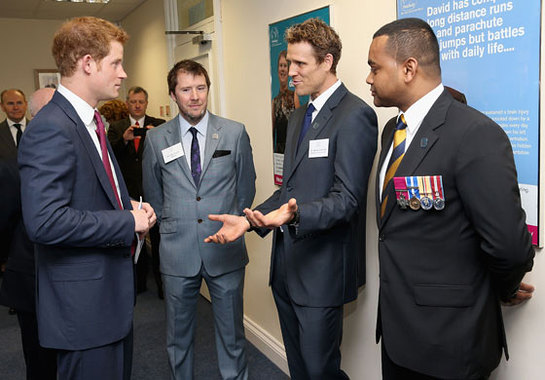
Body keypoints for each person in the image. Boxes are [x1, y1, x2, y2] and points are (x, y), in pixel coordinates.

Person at [205, 18, 378, 379]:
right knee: (299, 369)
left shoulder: (354, 115)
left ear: (327, 61)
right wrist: (250, 220)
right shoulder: (300, 115)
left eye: (300, 64)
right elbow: (288, 191)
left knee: (320, 370)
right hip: (287, 269)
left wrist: (293, 217)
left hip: (322, 271)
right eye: (289, 63)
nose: (291, 72)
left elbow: (347, 199)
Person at [366, 18, 535, 379]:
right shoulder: (391, 132)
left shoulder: (474, 134)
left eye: (374, 68)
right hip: (398, 334)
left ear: (409, 68)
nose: (368, 78)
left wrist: (502, 288)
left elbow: (508, 244)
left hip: (451, 344)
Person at [17, 16, 156, 380]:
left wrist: (128, 207)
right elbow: (44, 221)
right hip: (83, 310)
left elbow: (89, 195)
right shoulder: (52, 128)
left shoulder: (89, 122)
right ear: (87, 63)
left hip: (105, 300)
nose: (124, 74)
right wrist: (127, 222)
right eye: (116, 63)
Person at [142, 59, 255, 380]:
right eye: (186, 89)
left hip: (226, 250)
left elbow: (246, 187)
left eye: (201, 88)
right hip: (178, 253)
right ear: (173, 95)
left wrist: (233, 224)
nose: (195, 96)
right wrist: (176, 225)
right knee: (178, 338)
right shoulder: (156, 139)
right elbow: (154, 195)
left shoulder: (234, 133)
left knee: (232, 335)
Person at [0, 87, 57, 380]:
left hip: (65, 265)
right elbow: (6, 210)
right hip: (25, 260)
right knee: (36, 348)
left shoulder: (69, 141)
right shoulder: (12, 158)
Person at [108, 86, 165, 297]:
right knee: (132, 239)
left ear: (147, 103)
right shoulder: (116, 127)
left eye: (141, 101)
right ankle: (138, 284)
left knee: (159, 242)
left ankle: (162, 286)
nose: (138, 105)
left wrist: (154, 138)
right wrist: (124, 140)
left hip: (156, 191)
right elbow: (109, 158)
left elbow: (168, 156)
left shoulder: (159, 126)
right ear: (127, 104)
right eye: (133, 102)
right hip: (129, 193)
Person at [0, 89, 29, 274]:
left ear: (26, 104)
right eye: (10, 103)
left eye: (19, 102)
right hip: (6, 203)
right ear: (3, 107)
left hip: (37, 198)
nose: (16, 107)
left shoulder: (41, 128)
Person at [272, 50, 299, 154]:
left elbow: (298, 128)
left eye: (285, 66)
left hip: (292, 150)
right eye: (280, 65)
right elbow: (272, 132)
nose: (282, 69)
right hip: (278, 155)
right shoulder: (274, 101)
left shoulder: (295, 96)